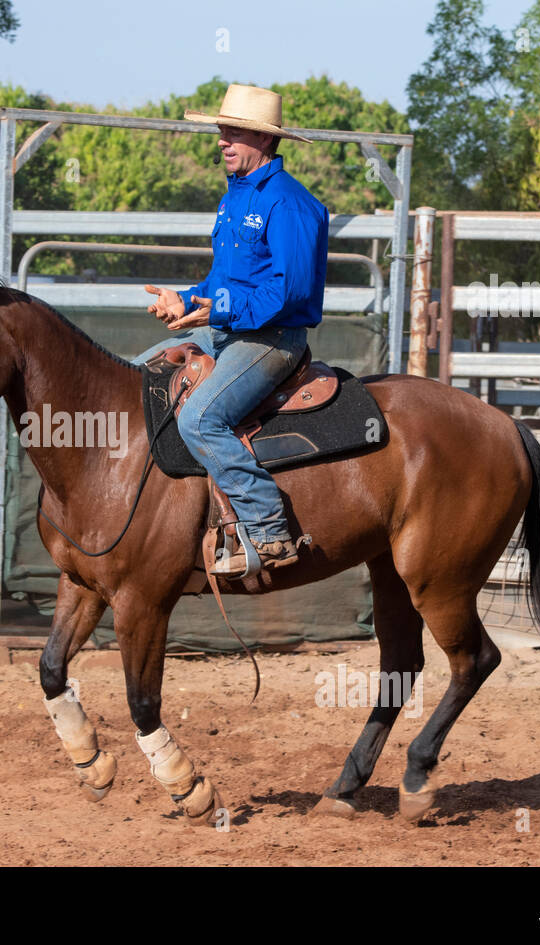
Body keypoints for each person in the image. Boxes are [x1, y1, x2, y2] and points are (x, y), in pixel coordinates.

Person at [135, 84, 329, 576]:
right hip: (227, 329)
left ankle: (269, 530)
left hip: (273, 340)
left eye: (234, 131)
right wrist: (185, 300)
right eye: (221, 130)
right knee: (140, 375)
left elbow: (288, 293)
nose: (222, 140)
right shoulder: (234, 197)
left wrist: (215, 308)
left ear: (264, 141)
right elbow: (224, 282)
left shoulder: (290, 204)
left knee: (200, 417)